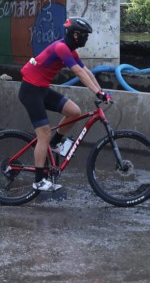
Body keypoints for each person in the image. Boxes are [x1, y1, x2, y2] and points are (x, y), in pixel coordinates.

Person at [18, 17, 111, 192]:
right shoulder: (61, 48)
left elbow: (86, 71)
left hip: (41, 89)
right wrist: (97, 93)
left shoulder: (69, 50)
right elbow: (78, 73)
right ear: (76, 35)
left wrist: (102, 91)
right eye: (85, 35)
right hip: (30, 91)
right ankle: (38, 180)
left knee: (74, 111)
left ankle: (56, 142)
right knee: (43, 133)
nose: (86, 39)